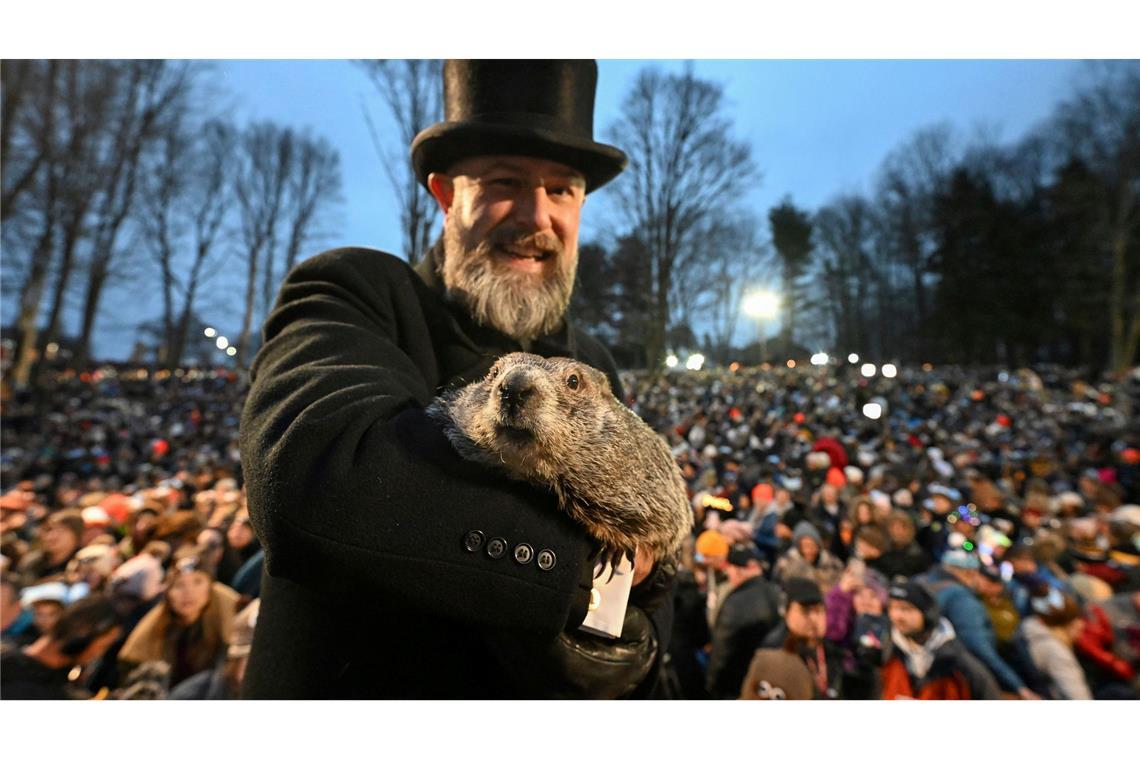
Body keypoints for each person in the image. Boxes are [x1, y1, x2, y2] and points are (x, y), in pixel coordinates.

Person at [239, 60, 675, 698]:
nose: (536, 216)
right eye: (506, 182)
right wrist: (586, 589)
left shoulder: (593, 363)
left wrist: (644, 645)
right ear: (446, 194)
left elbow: (647, 532)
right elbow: (315, 475)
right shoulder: (355, 292)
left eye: (562, 190)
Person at [116, 548, 239, 690]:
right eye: (178, 585)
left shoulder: (225, 620)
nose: (188, 592)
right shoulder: (155, 628)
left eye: (198, 582)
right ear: (168, 593)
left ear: (210, 587)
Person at [879, 580, 1000, 700]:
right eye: (892, 608)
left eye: (906, 609)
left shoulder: (959, 665)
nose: (896, 616)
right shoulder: (886, 654)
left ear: (928, 614)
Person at [0, 594, 123, 700]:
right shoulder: (34, 690)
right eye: (102, 646)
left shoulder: (9, 651)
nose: (98, 654)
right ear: (82, 633)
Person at [705, 542, 781, 698]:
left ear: (739, 569)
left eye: (730, 569)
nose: (728, 575)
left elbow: (722, 652)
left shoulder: (735, 603)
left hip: (738, 685)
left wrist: (711, 685)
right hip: (768, 680)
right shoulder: (775, 591)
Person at [1018, 587, 1093, 700]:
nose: (1082, 624)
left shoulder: (1028, 632)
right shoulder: (1056, 653)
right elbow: (1077, 696)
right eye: (1076, 619)